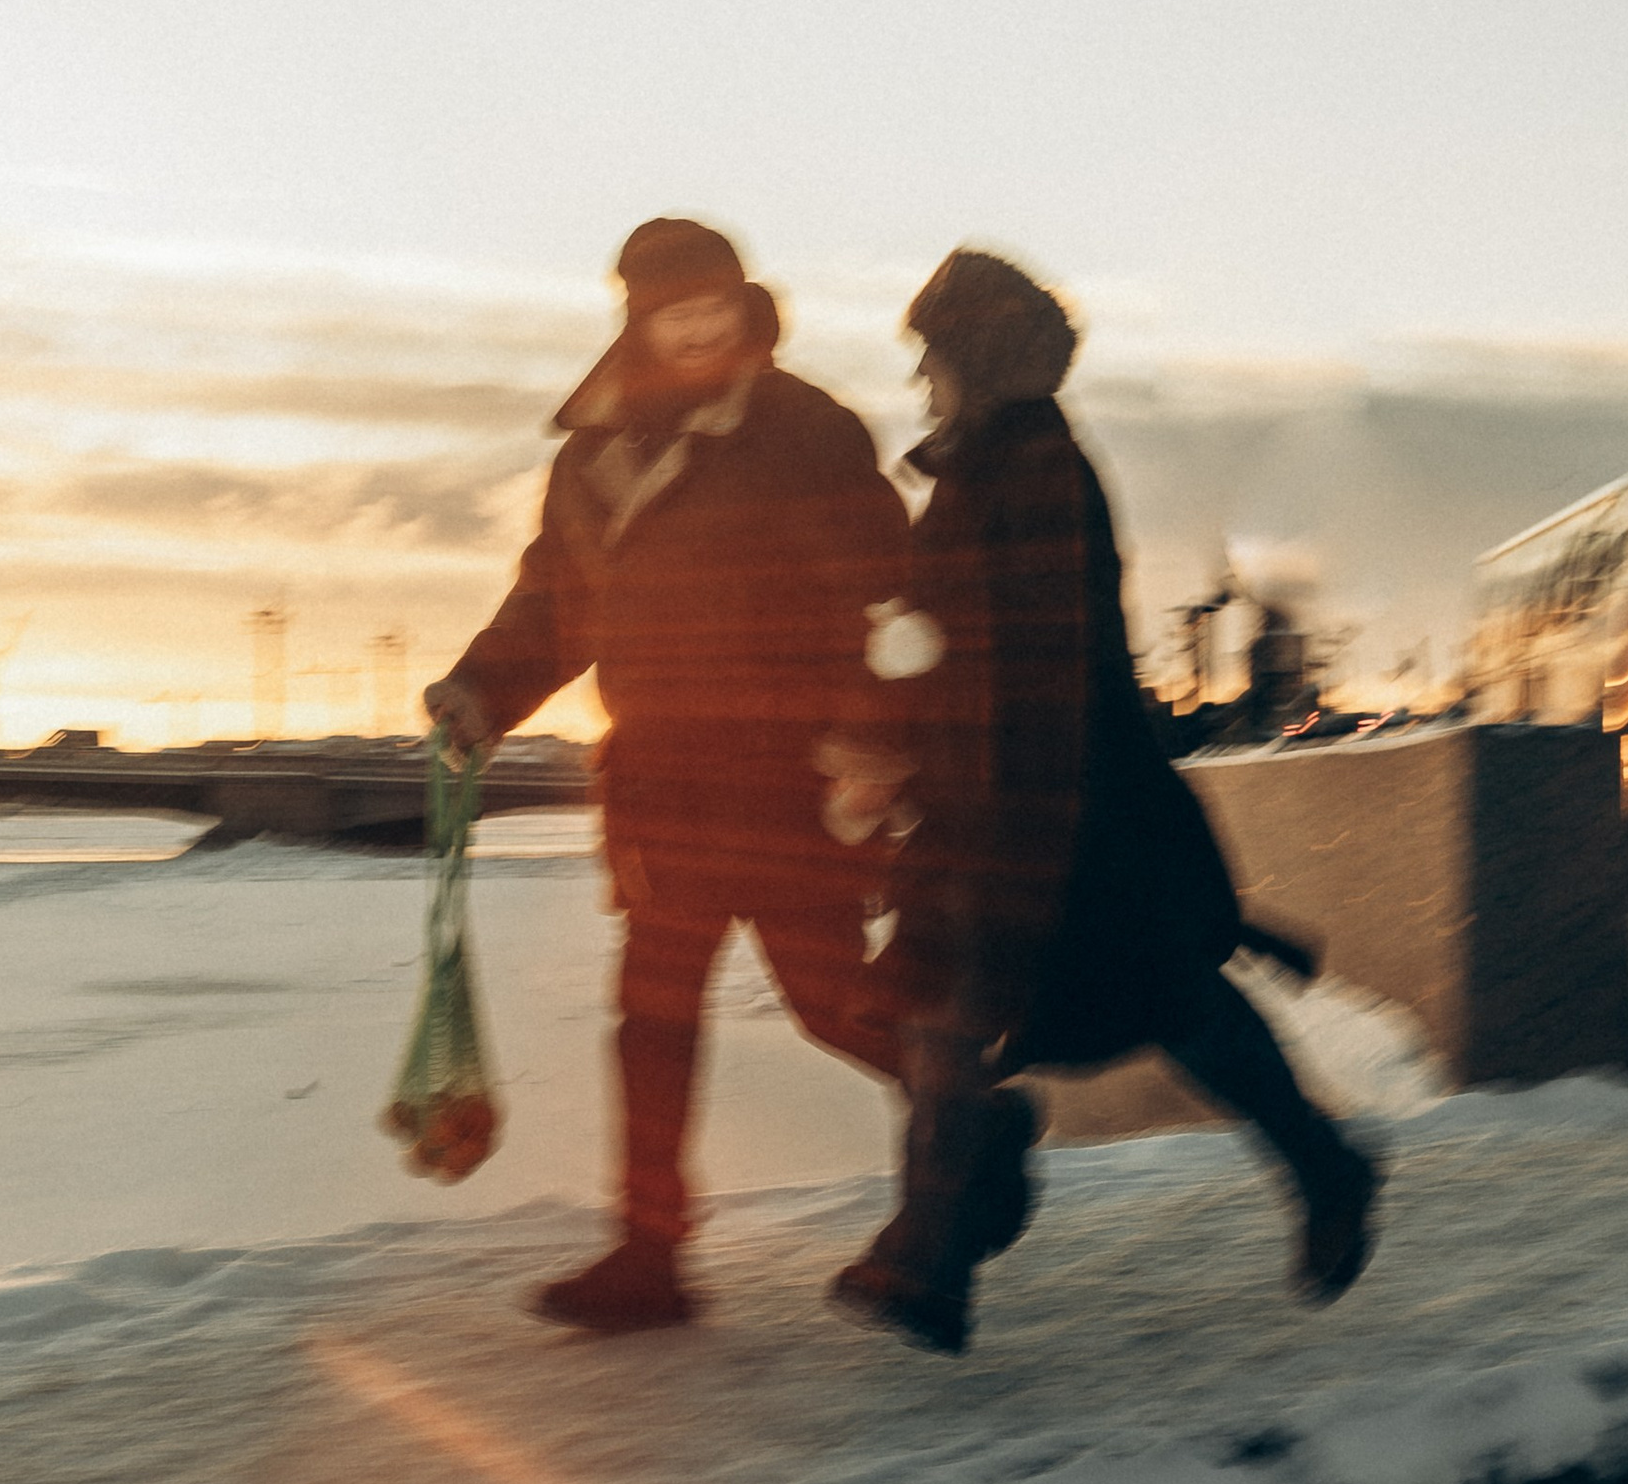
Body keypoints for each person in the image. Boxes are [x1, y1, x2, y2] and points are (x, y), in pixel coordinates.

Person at [832, 247, 1382, 1356]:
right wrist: (892, 742)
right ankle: (933, 1261)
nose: (920, 379)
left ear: (975, 360)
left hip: (1061, 809)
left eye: (932, 357)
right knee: (969, 1018)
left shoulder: (1031, 468)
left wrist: (963, 792)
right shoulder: (983, 469)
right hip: (996, 803)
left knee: (1164, 1003)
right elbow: (945, 649)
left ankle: (1323, 1165)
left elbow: (1025, 667)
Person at [424, 216, 912, 1334]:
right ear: (638, 321)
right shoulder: (594, 453)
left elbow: (884, 594)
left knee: (831, 1002)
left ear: (746, 307)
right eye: (675, 314)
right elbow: (557, 601)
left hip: (792, 777)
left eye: (716, 309)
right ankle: (650, 1254)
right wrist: (480, 694)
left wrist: (869, 740)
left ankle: (970, 1127)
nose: (700, 330)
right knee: (650, 1016)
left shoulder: (805, 430)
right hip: (661, 781)